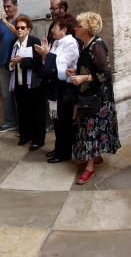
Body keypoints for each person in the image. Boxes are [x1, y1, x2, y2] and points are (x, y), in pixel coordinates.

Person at [68, 12, 121, 185]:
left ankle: (89, 168)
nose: (76, 28)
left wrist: (84, 78)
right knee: (90, 130)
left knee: (91, 131)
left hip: (99, 98)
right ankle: (95, 157)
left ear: (88, 29)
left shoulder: (97, 46)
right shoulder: (84, 44)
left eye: (79, 26)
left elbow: (105, 74)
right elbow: (88, 68)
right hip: (88, 96)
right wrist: (76, 74)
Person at [35, 19, 79, 162]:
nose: (52, 30)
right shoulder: (55, 43)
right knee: (56, 120)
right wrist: (44, 56)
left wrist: (47, 55)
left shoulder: (70, 43)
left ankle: (64, 152)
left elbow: (60, 69)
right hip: (54, 86)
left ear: (64, 29)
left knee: (64, 121)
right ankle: (58, 148)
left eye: (55, 27)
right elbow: (48, 67)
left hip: (65, 87)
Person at [8, 15, 46, 151]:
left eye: (22, 28)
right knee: (22, 112)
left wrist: (21, 61)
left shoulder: (35, 42)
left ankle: (38, 140)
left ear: (28, 29)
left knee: (36, 113)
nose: (19, 30)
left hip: (34, 85)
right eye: (17, 28)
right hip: (19, 84)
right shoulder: (14, 43)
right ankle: (25, 136)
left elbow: (38, 63)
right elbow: (10, 62)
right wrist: (12, 64)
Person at [0, 0, 20, 133]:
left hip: (18, 63)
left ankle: (23, 123)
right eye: (4, 7)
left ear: (15, 5)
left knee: (20, 94)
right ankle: (10, 121)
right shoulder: (1, 23)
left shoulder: (22, 19)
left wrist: (5, 21)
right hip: (3, 63)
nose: (6, 9)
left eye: (8, 6)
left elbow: (19, 34)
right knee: (7, 95)